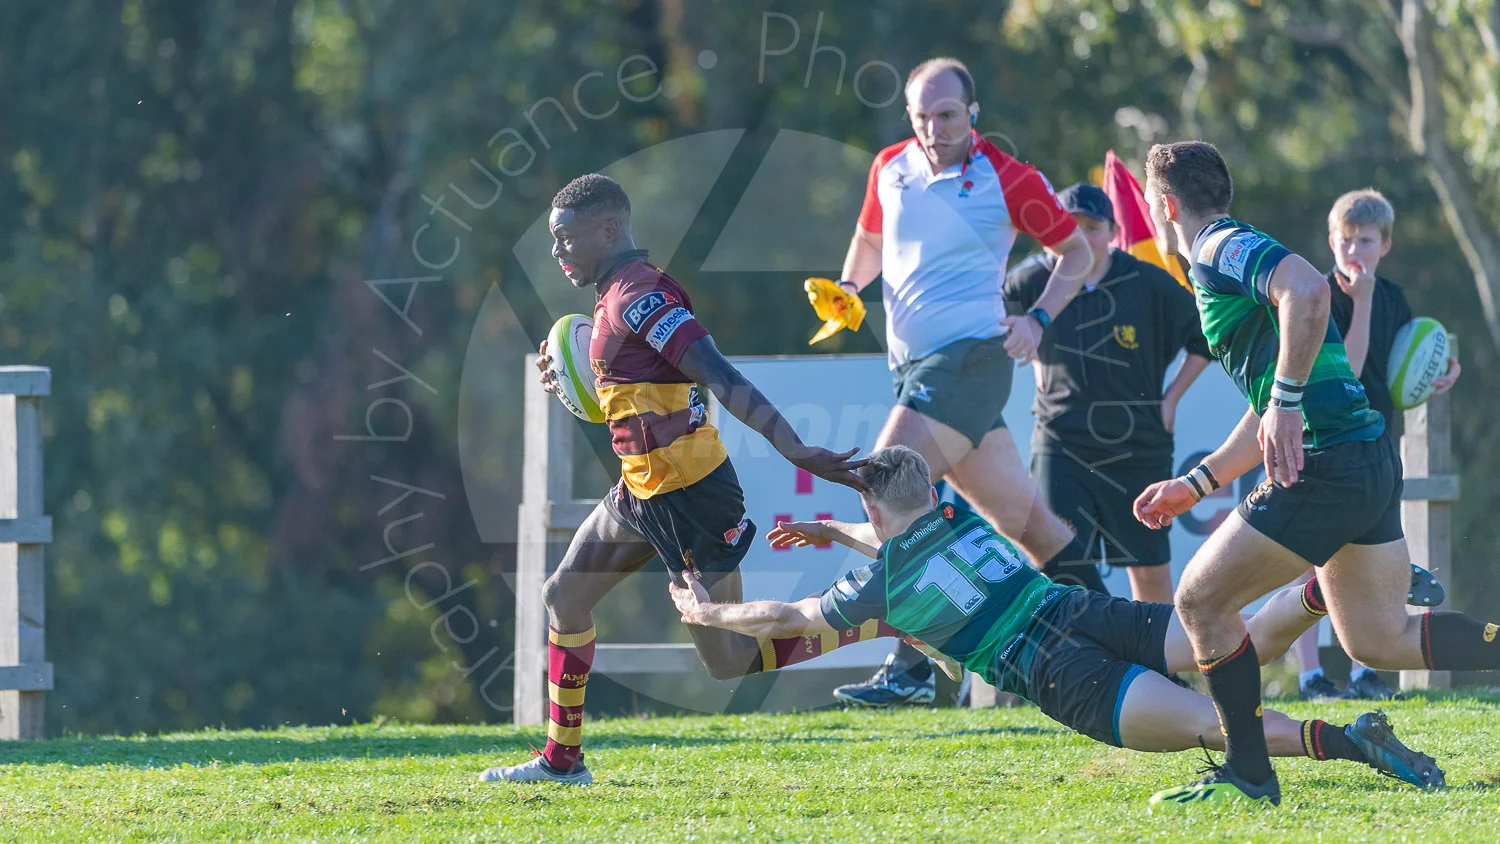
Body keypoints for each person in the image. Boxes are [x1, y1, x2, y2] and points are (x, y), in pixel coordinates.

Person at [669, 446, 1442, 790]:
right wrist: (841, 531)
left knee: (1215, 722)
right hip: (1087, 611)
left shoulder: (882, 586)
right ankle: (1321, 585)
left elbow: (786, 613)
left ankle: (1352, 742)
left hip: (1058, 671)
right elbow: (898, 531)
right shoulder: (957, 518)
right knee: (1222, 636)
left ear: (872, 507)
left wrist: (707, 608)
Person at [480, 174, 886, 785]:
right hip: (640, 491)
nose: (558, 252)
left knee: (728, 660)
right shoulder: (612, 294)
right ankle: (562, 762)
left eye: (566, 238)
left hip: (693, 496)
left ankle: (884, 620)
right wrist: (566, 379)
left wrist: (795, 449)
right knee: (563, 596)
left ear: (610, 228)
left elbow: (717, 373)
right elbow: (629, 391)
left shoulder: (639, 296)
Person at [1133, 141, 1500, 808]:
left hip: (1328, 464)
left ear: (1165, 207)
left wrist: (1286, 402)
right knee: (1376, 638)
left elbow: (1305, 289)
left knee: (1199, 601)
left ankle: (1248, 773)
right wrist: (1198, 483)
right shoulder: (1228, 251)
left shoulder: (1216, 246)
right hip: (1364, 457)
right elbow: (1265, 407)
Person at [829, 56, 1108, 708]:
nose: (934, 128)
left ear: (973, 112)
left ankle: (915, 669)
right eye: (922, 116)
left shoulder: (1008, 177)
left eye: (947, 114)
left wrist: (1038, 318)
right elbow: (870, 240)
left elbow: (1077, 253)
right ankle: (1116, 633)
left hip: (969, 363)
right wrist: (848, 286)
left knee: (884, 488)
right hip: (918, 370)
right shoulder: (889, 166)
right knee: (1028, 522)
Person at [1005, 183, 1212, 604]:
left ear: (1113, 231)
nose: (1081, 234)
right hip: (1060, 443)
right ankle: (1072, 664)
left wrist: (1171, 399)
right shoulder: (1029, 280)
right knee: (1057, 564)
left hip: (1137, 444)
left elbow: (1205, 337)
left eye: (1092, 226)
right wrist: (1036, 357)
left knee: (1149, 569)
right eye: (1070, 226)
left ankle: (1160, 665)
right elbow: (995, 321)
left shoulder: (1148, 282)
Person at [1293, 188, 1462, 702]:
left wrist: (1440, 373)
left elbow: (1397, 370)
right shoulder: (1319, 294)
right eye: (1345, 240)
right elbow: (1346, 368)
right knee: (1309, 559)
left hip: (1373, 445)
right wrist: (1359, 304)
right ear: (1331, 241)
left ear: (1385, 244)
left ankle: (1364, 671)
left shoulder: (1392, 296)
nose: (1353, 251)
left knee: (1365, 562)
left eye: (1365, 240)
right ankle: (1309, 678)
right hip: (1320, 443)